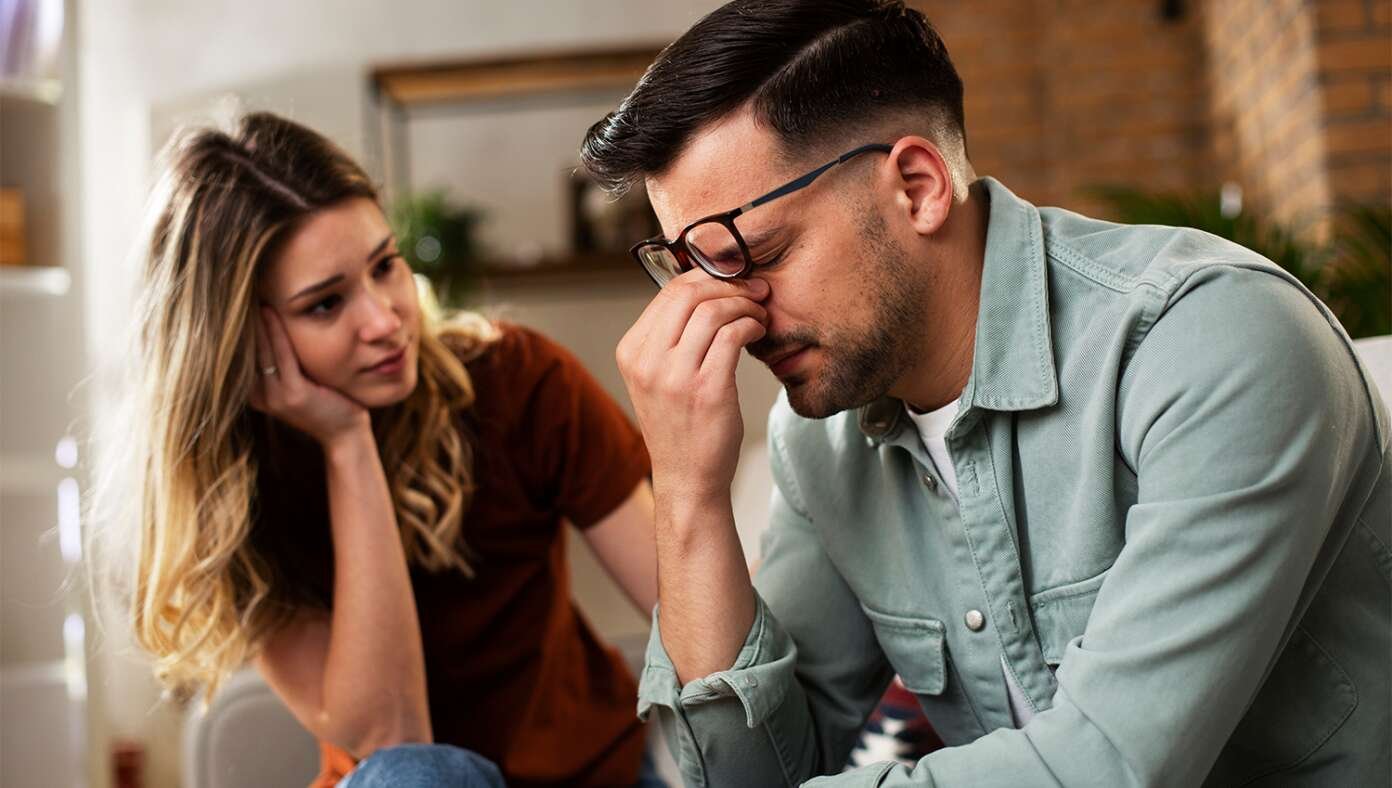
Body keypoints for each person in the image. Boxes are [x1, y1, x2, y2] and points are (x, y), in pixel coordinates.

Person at [578, 1, 1392, 785]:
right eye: (694, 273)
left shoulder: (1212, 341)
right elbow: (747, 774)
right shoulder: (820, 441)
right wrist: (687, 490)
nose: (736, 316)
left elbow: (1104, 770)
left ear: (920, 187)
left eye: (758, 253)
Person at [91, 111, 666, 787]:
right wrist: (347, 444)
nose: (385, 320)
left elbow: (681, 608)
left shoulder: (519, 383)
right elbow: (391, 738)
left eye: (384, 266)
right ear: (242, 341)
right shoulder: (239, 493)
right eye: (326, 305)